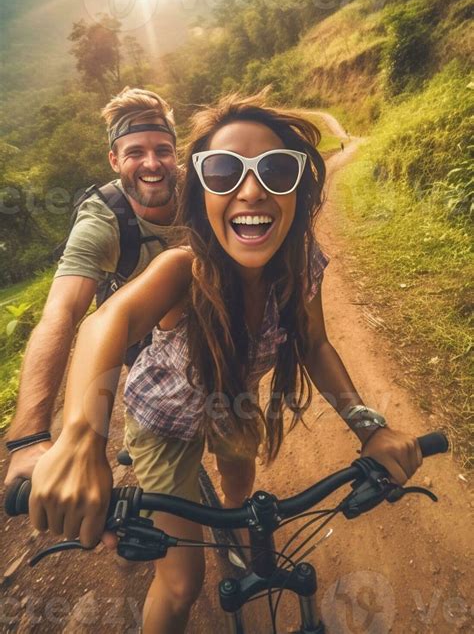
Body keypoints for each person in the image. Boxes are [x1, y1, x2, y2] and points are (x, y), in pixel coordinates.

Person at [28, 91, 423, 634]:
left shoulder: (302, 263)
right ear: (202, 195)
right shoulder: (182, 268)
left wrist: (369, 428)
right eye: (223, 171)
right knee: (181, 584)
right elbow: (103, 323)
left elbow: (315, 345)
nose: (252, 190)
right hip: (161, 425)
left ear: (300, 189)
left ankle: (236, 539)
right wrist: (79, 438)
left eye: (277, 170)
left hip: (234, 400)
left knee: (240, 485)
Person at [5, 87, 179, 486]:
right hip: (139, 334)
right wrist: (29, 438)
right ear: (114, 160)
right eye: (135, 152)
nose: (152, 163)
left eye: (163, 150)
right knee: (159, 446)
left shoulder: (202, 188)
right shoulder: (102, 220)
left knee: (234, 444)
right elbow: (61, 312)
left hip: (202, 320)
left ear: (176, 154)